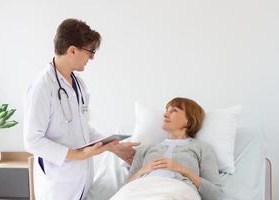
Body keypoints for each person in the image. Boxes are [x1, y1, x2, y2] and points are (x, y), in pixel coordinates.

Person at [23, 18, 139, 200]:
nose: (92, 57)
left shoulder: (79, 85)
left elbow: (83, 128)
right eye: (90, 51)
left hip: (82, 181)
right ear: (72, 50)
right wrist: (78, 155)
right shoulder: (42, 87)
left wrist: (114, 147)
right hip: (58, 184)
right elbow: (33, 141)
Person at [111, 97, 222, 200]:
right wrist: (144, 170)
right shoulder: (145, 148)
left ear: (189, 120)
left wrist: (182, 169)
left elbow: (215, 194)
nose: (165, 114)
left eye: (173, 110)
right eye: (166, 110)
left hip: (177, 189)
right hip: (140, 188)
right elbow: (126, 186)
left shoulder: (202, 148)